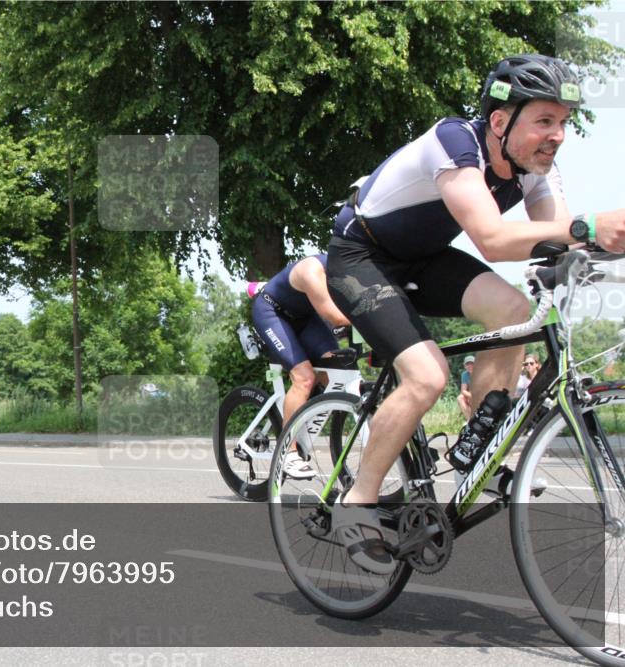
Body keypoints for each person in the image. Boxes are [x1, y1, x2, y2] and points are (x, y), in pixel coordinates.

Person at [324, 54, 625, 574]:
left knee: (514, 309)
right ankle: (356, 503)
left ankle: (478, 445)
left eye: (563, 122)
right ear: (501, 121)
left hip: (424, 259)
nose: (557, 136)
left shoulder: (533, 169)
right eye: (544, 120)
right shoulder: (454, 142)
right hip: (362, 258)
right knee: (427, 375)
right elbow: (492, 239)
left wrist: (595, 245)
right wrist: (588, 226)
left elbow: (556, 239)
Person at [248, 254, 351, 477]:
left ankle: (299, 416)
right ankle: (288, 451)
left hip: (305, 317)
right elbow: (336, 318)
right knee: (304, 378)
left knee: (334, 369)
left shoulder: (351, 271)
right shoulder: (311, 270)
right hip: (272, 314)